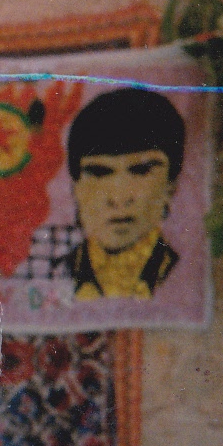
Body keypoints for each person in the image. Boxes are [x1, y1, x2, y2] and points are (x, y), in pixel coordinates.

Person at [60, 87, 186, 300]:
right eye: (99, 173)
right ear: (75, 188)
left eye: (141, 171)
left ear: (171, 185)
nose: (119, 199)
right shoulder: (59, 272)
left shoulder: (183, 275)